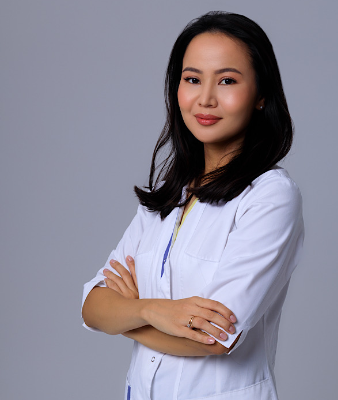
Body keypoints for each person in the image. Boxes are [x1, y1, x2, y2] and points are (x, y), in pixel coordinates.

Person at [82, 11, 304, 400]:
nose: (206, 98)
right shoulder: (165, 197)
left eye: (227, 80)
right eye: (192, 79)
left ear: (261, 95)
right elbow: (92, 305)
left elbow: (214, 338)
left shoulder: (270, 196)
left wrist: (127, 313)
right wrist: (152, 311)